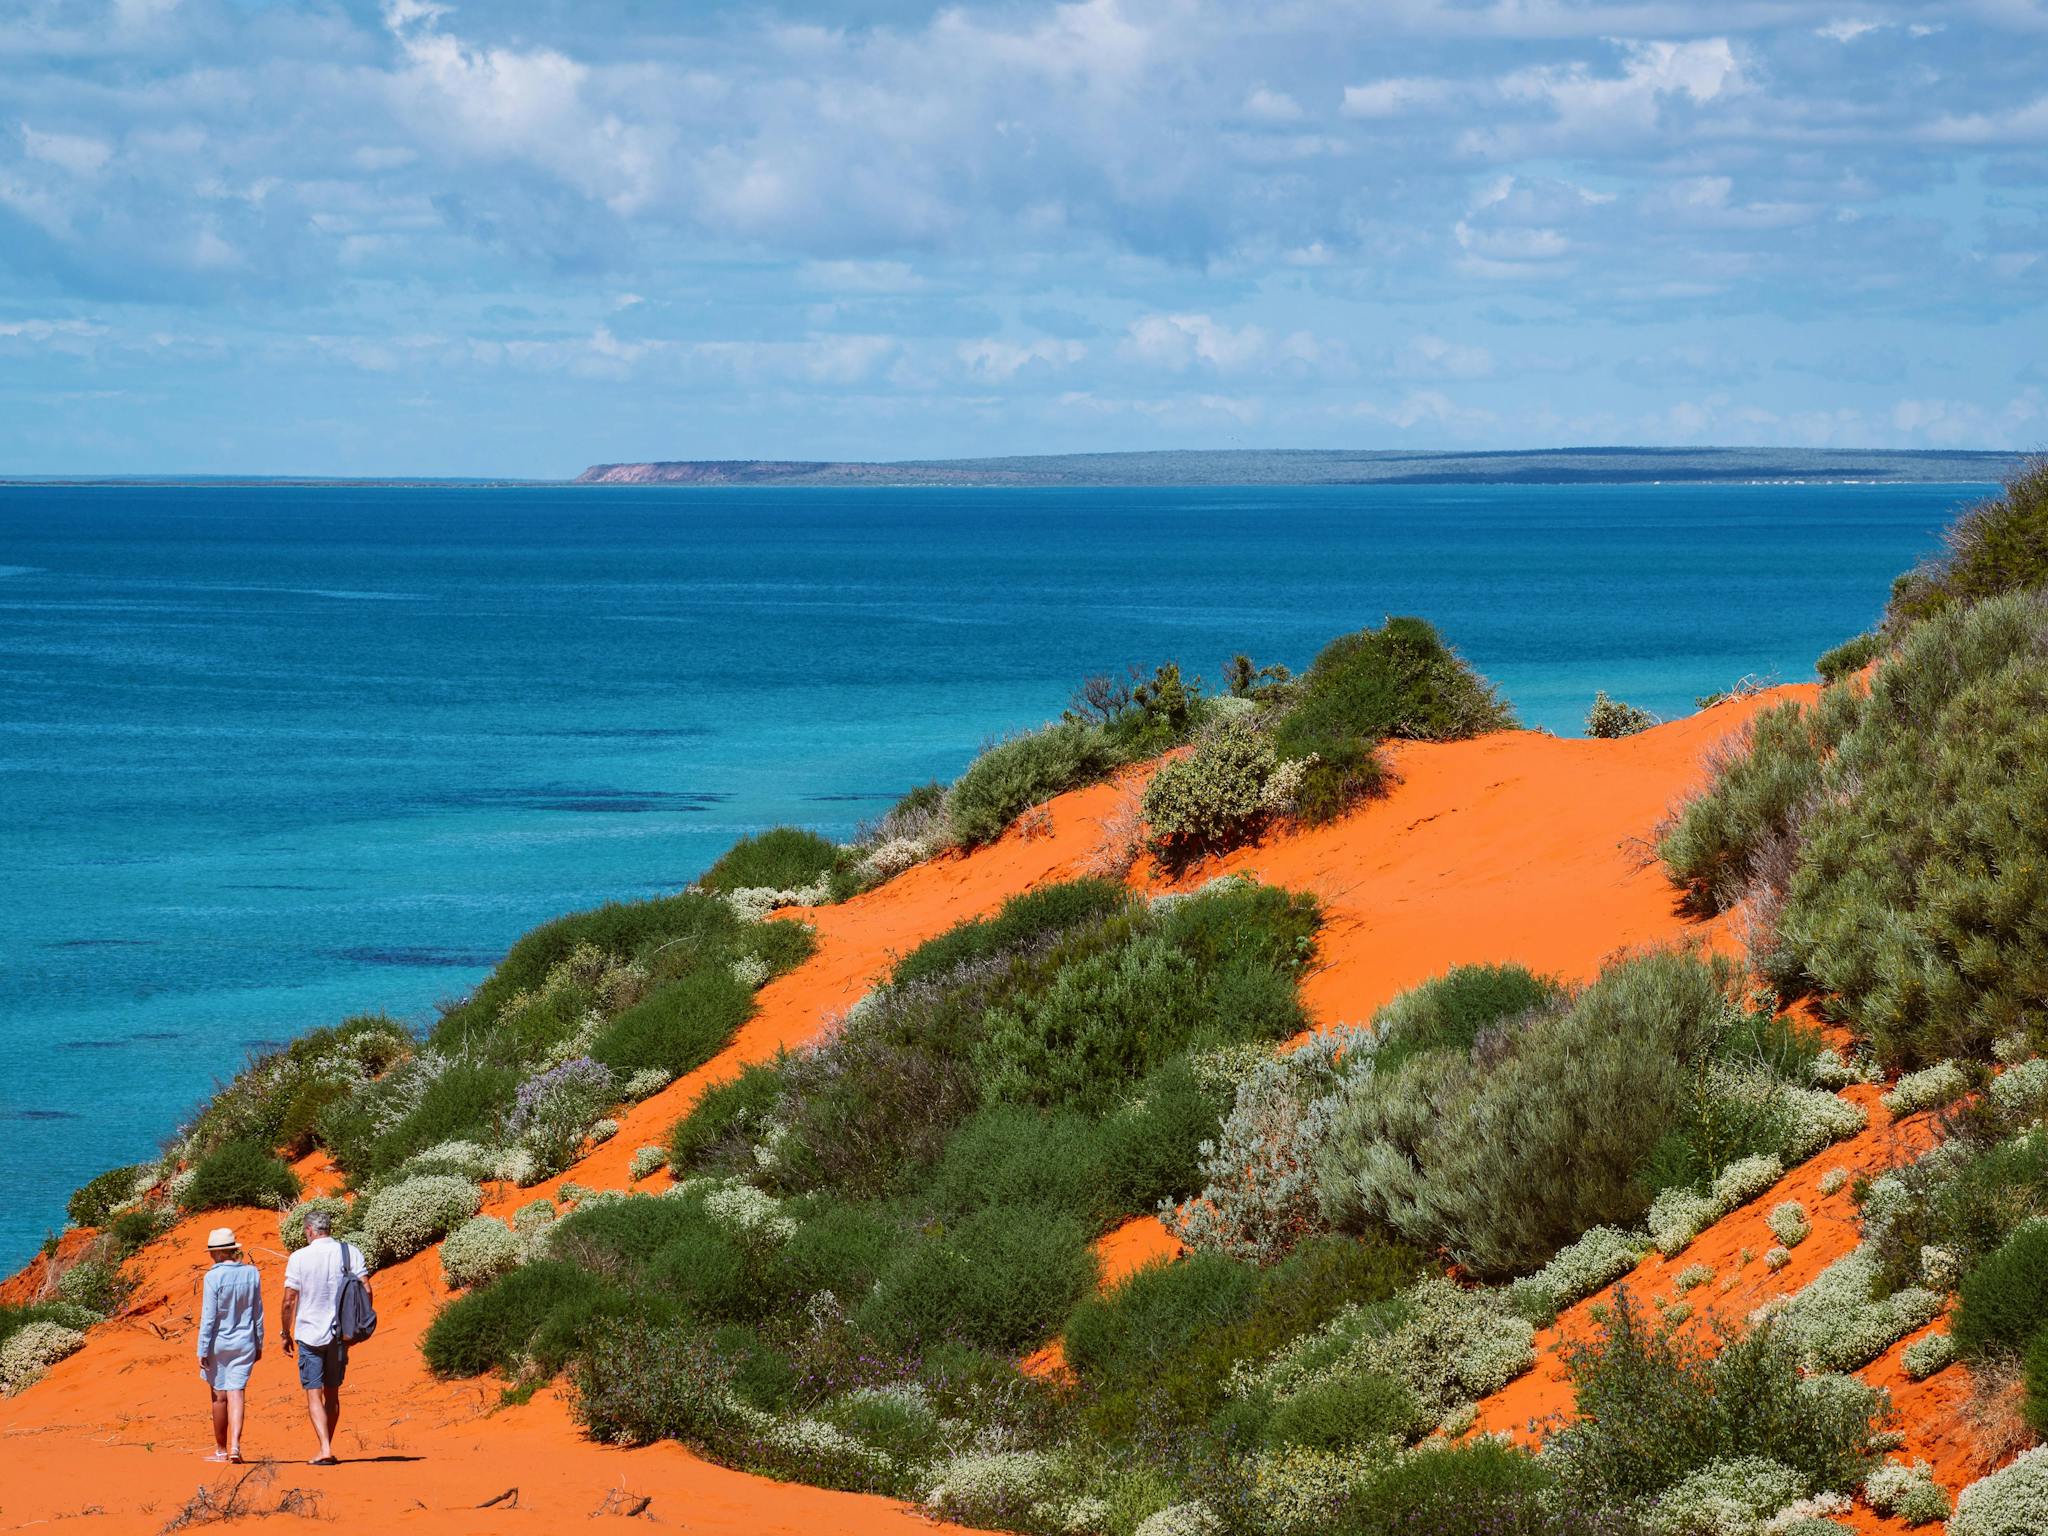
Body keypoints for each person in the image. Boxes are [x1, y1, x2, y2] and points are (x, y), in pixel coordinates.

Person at [280, 1208, 370, 1467]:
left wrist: (285, 1332)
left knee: (313, 1392)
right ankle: (326, 1447)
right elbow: (366, 1288)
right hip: (340, 1333)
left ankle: (325, 1448)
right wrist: (358, 1324)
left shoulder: (299, 1257)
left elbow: (289, 1300)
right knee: (332, 1393)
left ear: (309, 1230)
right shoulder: (350, 1252)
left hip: (309, 1333)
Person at [196, 1226, 263, 1464]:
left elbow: (209, 1316)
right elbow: (258, 1312)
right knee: (237, 1392)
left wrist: (202, 1349)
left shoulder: (213, 1277)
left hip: (219, 1342)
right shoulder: (251, 1273)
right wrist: (259, 1341)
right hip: (245, 1341)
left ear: (216, 1252)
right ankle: (235, 1446)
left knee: (219, 1396)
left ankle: (221, 1450)